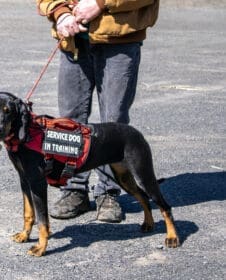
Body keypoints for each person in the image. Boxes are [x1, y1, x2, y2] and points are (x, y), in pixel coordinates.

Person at [36, 0, 159, 222]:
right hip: (74, 41)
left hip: (119, 40)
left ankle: (108, 193)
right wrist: (60, 13)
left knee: (114, 123)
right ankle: (74, 190)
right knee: (68, 123)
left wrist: (100, 4)